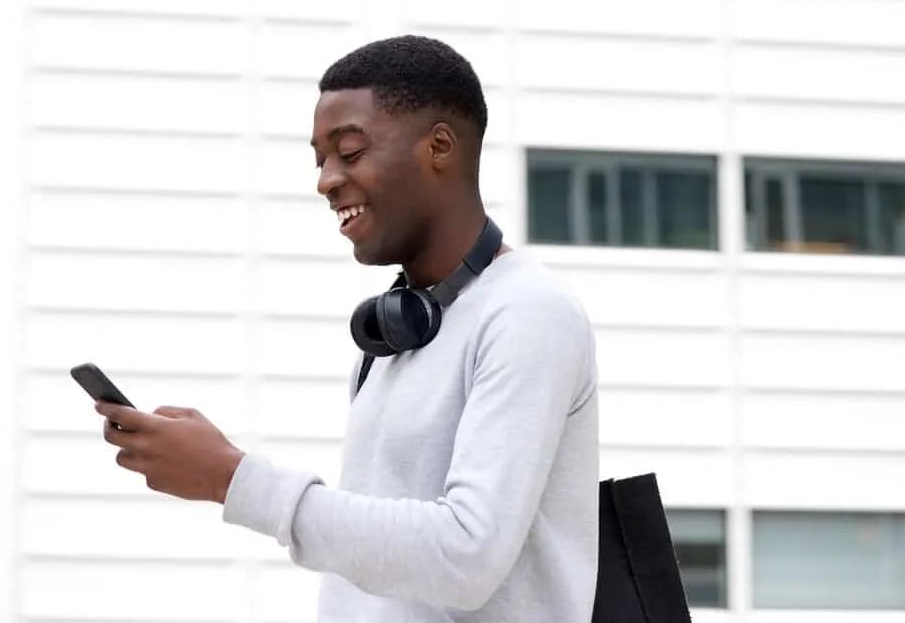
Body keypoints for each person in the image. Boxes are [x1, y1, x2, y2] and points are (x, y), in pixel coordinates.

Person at [95, 35, 600, 622]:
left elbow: (468, 555)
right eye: (320, 160)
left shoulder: (528, 312)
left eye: (351, 152)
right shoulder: (392, 336)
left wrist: (231, 478)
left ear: (439, 147)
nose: (326, 180)